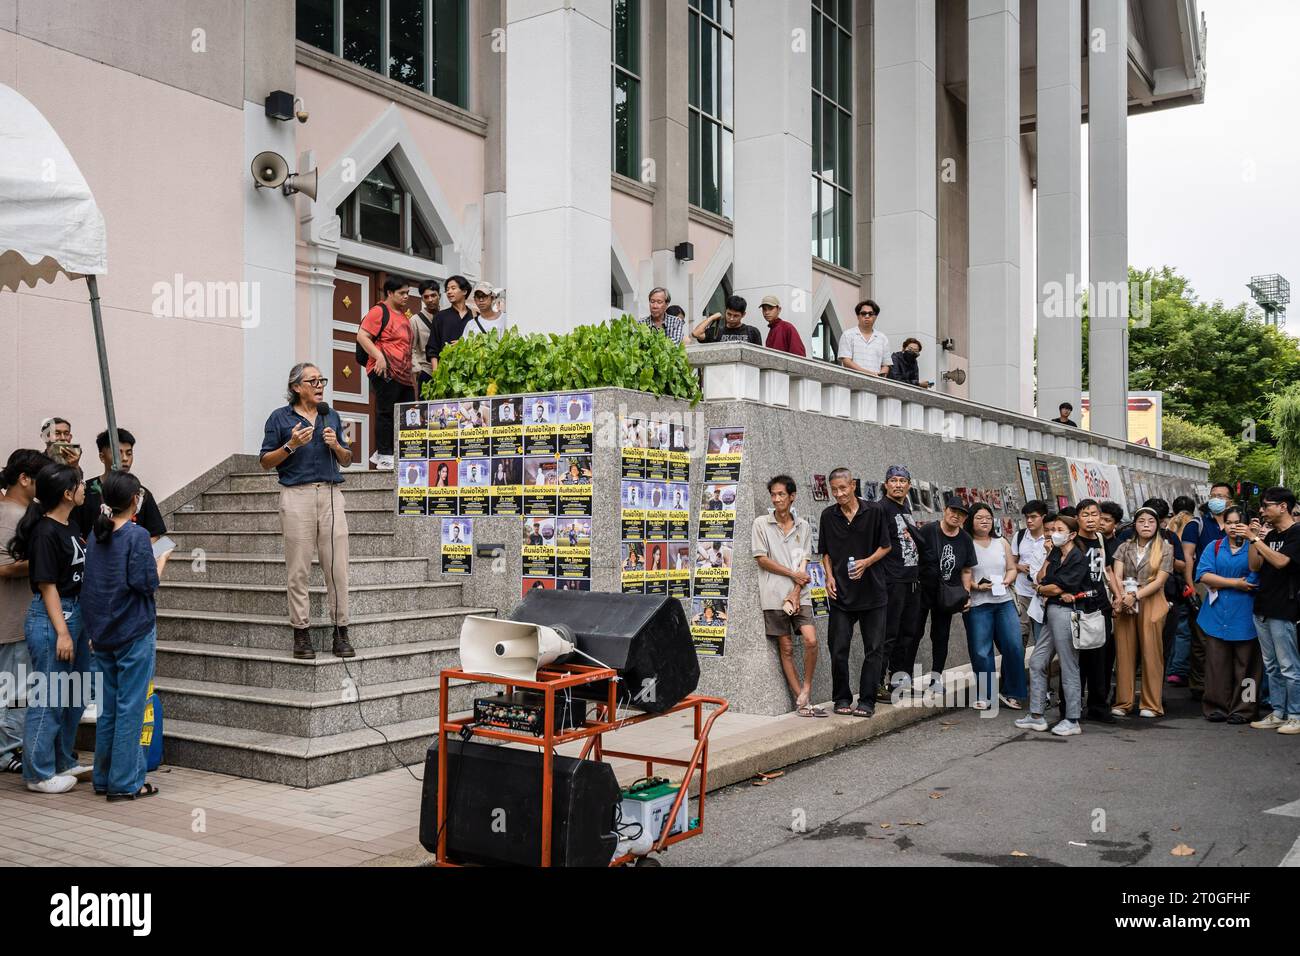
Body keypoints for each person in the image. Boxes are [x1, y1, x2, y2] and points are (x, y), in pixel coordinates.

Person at [82, 471, 170, 801]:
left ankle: (104, 777)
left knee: (109, 708)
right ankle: (124, 782)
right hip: (134, 632)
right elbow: (146, 584)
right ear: (135, 500)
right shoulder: (136, 535)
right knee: (130, 708)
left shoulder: (96, 534)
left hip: (103, 633)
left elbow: (91, 587)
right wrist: (161, 560)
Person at [259, 363, 354, 662]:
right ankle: (301, 632)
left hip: (330, 494)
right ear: (296, 387)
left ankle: (341, 631)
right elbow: (264, 461)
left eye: (321, 380)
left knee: (337, 566)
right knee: (298, 569)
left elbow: (348, 459)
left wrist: (337, 445)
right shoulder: (279, 418)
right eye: (312, 381)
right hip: (296, 495)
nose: (319, 385)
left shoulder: (331, 415)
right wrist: (291, 445)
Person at [7, 461, 91, 792]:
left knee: (76, 692)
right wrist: (63, 632)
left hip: (75, 615)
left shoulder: (69, 525)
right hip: (54, 618)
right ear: (67, 493)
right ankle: (38, 773)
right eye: (80, 484)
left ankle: (62, 761)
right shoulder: (45, 532)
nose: (85, 488)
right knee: (51, 697)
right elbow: (47, 586)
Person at [819, 468, 891, 718]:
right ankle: (841, 697)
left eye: (843, 488)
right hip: (841, 594)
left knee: (874, 649)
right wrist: (828, 577)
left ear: (852, 486)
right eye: (834, 489)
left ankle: (867, 700)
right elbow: (825, 553)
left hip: (873, 592)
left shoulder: (875, 511)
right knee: (838, 647)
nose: (839, 493)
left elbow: (886, 547)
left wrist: (866, 562)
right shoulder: (828, 516)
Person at [752, 476, 822, 717]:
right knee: (787, 647)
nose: (777, 499)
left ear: (792, 496)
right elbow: (762, 560)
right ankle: (801, 700)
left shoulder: (803, 526)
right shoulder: (761, 524)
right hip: (772, 595)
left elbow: (804, 562)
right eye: (773, 495)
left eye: (781, 494)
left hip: (800, 595)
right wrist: (792, 574)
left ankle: (807, 686)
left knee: (811, 640)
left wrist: (795, 590)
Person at [1016, 514, 1087, 736]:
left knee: (1068, 665)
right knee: (1037, 662)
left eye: (1059, 529)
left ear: (1072, 534)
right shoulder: (1055, 553)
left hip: (1066, 614)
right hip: (1050, 612)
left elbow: (1058, 587)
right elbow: (1041, 578)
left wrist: (1043, 589)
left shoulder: (1078, 557)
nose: (1053, 533)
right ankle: (1036, 715)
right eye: (1052, 528)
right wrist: (1048, 556)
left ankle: (1072, 719)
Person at [0, 450, 48, 774]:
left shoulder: (22, 513)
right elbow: (4, 568)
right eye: (39, 478)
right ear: (24, 479)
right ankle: (8, 753)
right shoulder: (10, 517)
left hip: (15, 618)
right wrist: (46, 561)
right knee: (15, 690)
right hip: (13, 620)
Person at [1195, 506, 1261, 724]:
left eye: (1238, 523)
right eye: (1229, 523)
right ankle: (1216, 706)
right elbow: (1204, 575)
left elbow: (1253, 578)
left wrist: (1222, 582)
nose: (1234, 527)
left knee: (1247, 665)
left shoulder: (1256, 547)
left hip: (1245, 615)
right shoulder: (1214, 547)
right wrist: (1235, 583)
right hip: (1215, 615)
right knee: (1216, 664)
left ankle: (1244, 709)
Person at [1110, 506, 1173, 718]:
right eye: (1141, 521)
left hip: (1151, 600)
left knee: (1151, 653)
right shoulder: (1124, 547)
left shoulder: (1165, 548)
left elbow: (1160, 581)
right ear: (1134, 525)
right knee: (1124, 653)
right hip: (1124, 601)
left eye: (1151, 521)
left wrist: (1135, 595)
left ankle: (1151, 704)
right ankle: (1123, 701)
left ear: (1158, 525)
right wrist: (1120, 596)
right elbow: (1115, 575)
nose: (1146, 525)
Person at [1246, 487, 1300, 734]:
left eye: (1266, 505)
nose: (1262, 510)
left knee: (1289, 665)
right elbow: (1255, 565)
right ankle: (1278, 712)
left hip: (1284, 607)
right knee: (1272, 666)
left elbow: (1280, 562)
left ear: (1283, 507)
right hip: (1263, 606)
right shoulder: (1270, 536)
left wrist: (1256, 539)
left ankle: (1296, 714)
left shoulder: (1296, 533)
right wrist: (1254, 538)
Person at [963, 503, 1027, 710]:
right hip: (978, 604)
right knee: (981, 651)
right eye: (979, 517)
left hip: (1004, 602)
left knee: (1014, 646)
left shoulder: (1001, 543)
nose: (984, 521)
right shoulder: (966, 543)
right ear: (970, 521)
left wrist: (1007, 581)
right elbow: (963, 574)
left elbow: (1011, 568)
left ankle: (1014, 693)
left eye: (988, 517)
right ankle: (986, 694)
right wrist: (976, 586)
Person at [916, 497, 976, 695]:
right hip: (922, 592)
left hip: (947, 594)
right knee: (913, 634)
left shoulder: (965, 539)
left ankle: (936, 678)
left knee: (940, 637)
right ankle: (902, 678)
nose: (956, 515)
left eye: (961, 513)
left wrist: (966, 595)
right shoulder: (928, 530)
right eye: (953, 510)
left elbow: (966, 570)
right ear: (945, 509)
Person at [357, 277, 415, 470]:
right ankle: (384, 454)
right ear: (390, 293)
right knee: (386, 412)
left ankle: (390, 452)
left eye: (407, 293)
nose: (406, 296)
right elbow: (362, 336)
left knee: (405, 415)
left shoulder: (403, 315)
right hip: (384, 370)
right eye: (402, 293)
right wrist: (378, 356)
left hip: (404, 374)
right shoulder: (379, 311)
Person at [1182, 483, 1233, 698]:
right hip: (1204, 586)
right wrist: (1191, 586)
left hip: (1233, 586)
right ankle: (1200, 685)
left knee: (1229, 635)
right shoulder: (1197, 524)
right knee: (1202, 637)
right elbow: (1187, 558)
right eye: (1213, 495)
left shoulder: (1238, 523)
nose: (1216, 499)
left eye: (1221, 496)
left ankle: (1225, 685)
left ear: (1230, 501)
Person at [877, 466, 924, 698]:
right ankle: (877, 684)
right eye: (893, 480)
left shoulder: (905, 508)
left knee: (908, 634)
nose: (897, 484)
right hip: (892, 581)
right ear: (886, 484)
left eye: (902, 480)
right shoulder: (881, 509)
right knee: (889, 634)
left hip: (911, 581)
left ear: (909, 485)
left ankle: (899, 682)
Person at [74, 429, 167, 544]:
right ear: (102, 457)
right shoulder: (84, 491)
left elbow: (154, 534)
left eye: (129, 453)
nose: (125, 459)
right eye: (118, 453)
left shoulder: (142, 493)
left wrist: (136, 554)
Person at [1074, 499, 1119, 723]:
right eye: (1085, 514)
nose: (1091, 519)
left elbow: (1108, 570)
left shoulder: (1101, 539)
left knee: (1101, 659)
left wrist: (1118, 597)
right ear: (1077, 518)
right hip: (1078, 607)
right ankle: (1072, 706)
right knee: (1078, 659)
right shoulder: (1072, 541)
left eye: (1094, 514)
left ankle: (1098, 707)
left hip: (1102, 606)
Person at [1165, 496, 1199, 686]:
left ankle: (1170, 668)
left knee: (1172, 628)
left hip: (1168, 584)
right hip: (1183, 583)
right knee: (1184, 630)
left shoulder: (1169, 526)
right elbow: (1187, 560)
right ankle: (1179, 669)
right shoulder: (1193, 525)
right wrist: (1191, 584)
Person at [1013, 500, 1050, 650]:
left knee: (1041, 638)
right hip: (1022, 593)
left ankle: (1041, 672)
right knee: (1019, 635)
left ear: (1043, 517)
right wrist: (1020, 567)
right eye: (1027, 517)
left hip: (1042, 594)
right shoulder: (1020, 536)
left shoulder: (1050, 537)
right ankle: (1016, 672)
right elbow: (1011, 564)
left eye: (1033, 517)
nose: (1029, 521)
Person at [425, 275, 480, 372]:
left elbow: (482, 343)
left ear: (464, 291)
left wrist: (464, 343)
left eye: (453, 288)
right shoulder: (440, 317)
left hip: (470, 371)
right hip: (446, 371)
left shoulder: (476, 316)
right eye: (447, 289)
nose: (449, 292)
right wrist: (436, 371)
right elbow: (432, 348)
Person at [837, 300, 891, 377]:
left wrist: (881, 375)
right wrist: (869, 374)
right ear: (858, 316)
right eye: (863, 313)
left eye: (870, 314)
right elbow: (846, 361)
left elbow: (886, 364)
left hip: (876, 383)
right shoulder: (848, 335)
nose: (867, 316)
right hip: (853, 383)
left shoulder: (882, 338)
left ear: (875, 316)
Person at [410, 279, 442, 393]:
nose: (430, 300)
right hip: (425, 371)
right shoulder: (415, 320)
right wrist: (417, 370)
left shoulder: (445, 317)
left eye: (433, 295)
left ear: (440, 296)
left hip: (444, 372)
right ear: (422, 299)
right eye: (426, 297)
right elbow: (410, 348)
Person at [691, 295, 763, 345]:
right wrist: (712, 317)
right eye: (729, 314)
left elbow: (759, 357)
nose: (731, 318)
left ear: (743, 315)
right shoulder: (716, 332)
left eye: (736, 316)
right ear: (725, 311)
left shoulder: (752, 332)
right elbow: (696, 333)